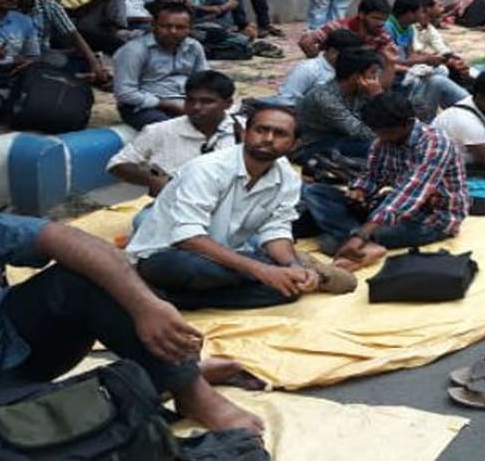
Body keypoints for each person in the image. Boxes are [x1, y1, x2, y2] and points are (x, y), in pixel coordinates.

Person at [0, 205, 265, 443]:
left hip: (15, 349)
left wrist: (146, 307)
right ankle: (157, 385)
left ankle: (193, 392)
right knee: (18, 436)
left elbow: (60, 237)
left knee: (85, 276)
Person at [126, 104, 351, 309]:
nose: (268, 138)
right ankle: (286, 272)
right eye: (261, 130)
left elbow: (276, 230)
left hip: (228, 257)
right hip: (169, 256)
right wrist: (263, 270)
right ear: (245, 133)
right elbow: (187, 237)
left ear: (295, 144)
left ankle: (174, 298)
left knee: (286, 292)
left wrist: (291, 265)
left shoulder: (287, 177)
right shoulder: (207, 169)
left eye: (280, 134)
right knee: (200, 269)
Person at [303, 92, 469, 271]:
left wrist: (362, 233)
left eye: (385, 132)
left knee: (329, 242)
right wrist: (360, 190)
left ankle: (351, 238)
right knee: (315, 192)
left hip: (430, 218)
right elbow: (371, 175)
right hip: (389, 206)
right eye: (376, 131)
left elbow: (409, 193)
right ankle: (358, 240)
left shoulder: (434, 144)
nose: (380, 137)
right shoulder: (383, 141)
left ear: (407, 123)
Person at [108, 70, 238, 230]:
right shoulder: (160, 130)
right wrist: (153, 179)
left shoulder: (242, 130)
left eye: (207, 101)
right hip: (175, 208)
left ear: (228, 103)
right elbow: (117, 165)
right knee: (144, 223)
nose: (196, 107)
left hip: (229, 209)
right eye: (190, 100)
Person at [0, 0, 109, 83]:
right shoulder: (2, 9)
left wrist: (95, 65)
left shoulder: (49, 6)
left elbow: (74, 36)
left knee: (65, 59)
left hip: (42, 56)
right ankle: (75, 77)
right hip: (14, 59)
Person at [113, 1, 209, 130]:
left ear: (190, 28)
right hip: (144, 106)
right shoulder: (134, 50)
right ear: (153, 25)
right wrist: (169, 105)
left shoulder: (194, 47)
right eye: (166, 26)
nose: (173, 31)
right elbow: (125, 93)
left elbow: (203, 79)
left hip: (185, 102)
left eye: (180, 27)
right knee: (169, 130)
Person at [294, 49, 385, 163]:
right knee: (379, 147)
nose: (376, 78)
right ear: (356, 76)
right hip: (315, 144)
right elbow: (360, 132)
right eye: (372, 73)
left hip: (344, 138)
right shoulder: (324, 97)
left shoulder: (359, 91)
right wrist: (377, 97)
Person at [272, 28, 362, 106]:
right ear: (333, 52)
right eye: (350, 55)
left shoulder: (350, 69)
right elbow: (285, 100)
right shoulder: (308, 69)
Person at [298, 0, 393, 57]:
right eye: (376, 18)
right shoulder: (338, 27)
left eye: (384, 20)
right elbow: (306, 43)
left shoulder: (382, 37)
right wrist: (321, 66)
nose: (381, 23)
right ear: (362, 15)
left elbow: (386, 60)